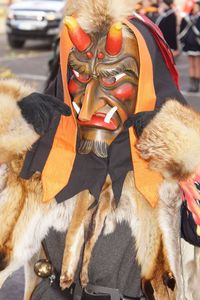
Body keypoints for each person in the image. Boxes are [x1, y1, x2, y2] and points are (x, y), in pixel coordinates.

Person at [0, 1, 200, 300]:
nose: (91, 103)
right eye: (80, 76)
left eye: (112, 78)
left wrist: (177, 145)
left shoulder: (172, 164)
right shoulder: (42, 149)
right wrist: (11, 123)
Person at [178, 0, 200, 93]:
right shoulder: (188, 17)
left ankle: (196, 85)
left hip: (197, 44)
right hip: (189, 43)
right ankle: (192, 85)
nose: (194, 8)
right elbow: (182, 29)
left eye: (196, 7)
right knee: (191, 65)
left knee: (197, 65)